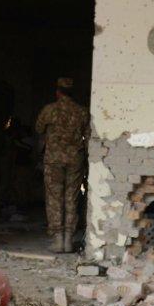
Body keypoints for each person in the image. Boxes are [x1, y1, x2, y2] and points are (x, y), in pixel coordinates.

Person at [35, 78, 91, 253]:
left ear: (58, 92)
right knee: (71, 198)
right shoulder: (82, 112)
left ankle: (58, 239)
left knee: (54, 198)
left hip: (54, 159)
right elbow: (88, 136)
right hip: (75, 159)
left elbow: (38, 128)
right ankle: (68, 240)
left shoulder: (50, 110)